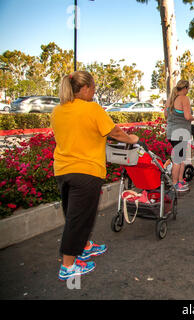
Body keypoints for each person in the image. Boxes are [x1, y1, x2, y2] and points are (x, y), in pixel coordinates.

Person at [51, 71, 139, 280]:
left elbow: (77, 134)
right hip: (86, 171)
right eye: (93, 88)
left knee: (75, 214)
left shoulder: (57, 111)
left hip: (62, 170)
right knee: (78, 218)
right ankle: (68, 266)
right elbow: (114, 132)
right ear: (84, 88)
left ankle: (85, 246)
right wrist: (132, 138)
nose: (94, 91)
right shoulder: (92, 108)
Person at [164, 80, 194, 192]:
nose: (188, 91)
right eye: (188, 89)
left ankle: (180, 180)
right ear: (185, 88)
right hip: (180, 133)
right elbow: (188, 116)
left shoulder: (170, 99)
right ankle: (175, 184)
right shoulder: (184, 98)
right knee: (178, 160)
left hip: (171, 132)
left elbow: (165, 115)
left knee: (181, 158)